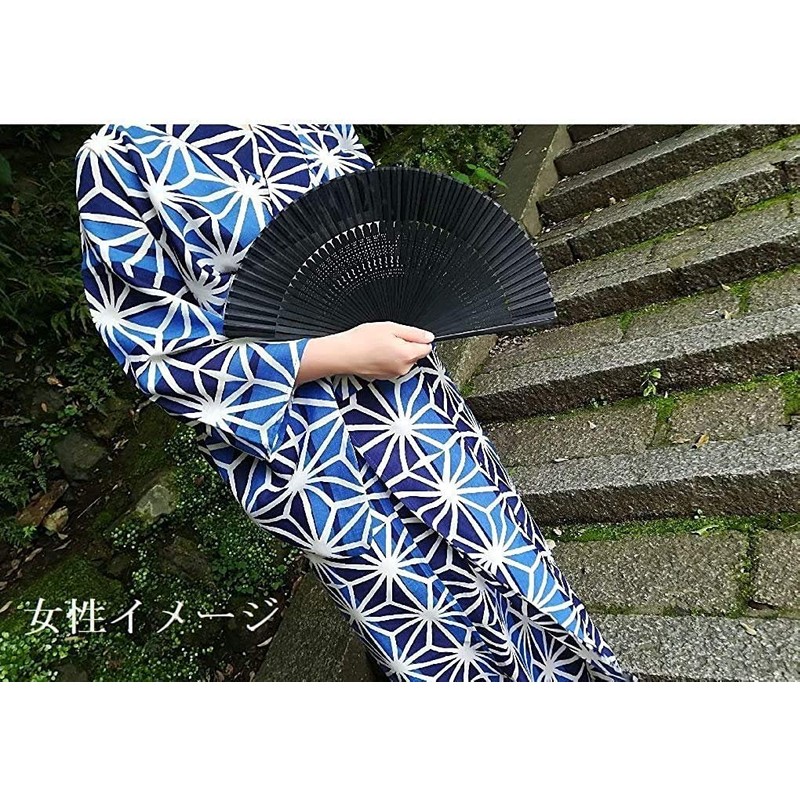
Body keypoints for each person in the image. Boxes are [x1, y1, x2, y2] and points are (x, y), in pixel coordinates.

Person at [76, 123, 634, 682]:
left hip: (410, 396)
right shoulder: (118, 158)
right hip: (301, 441)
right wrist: (336, 352)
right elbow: (159, 351)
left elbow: (375, 220)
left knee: (509, 557)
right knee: (420, 613)